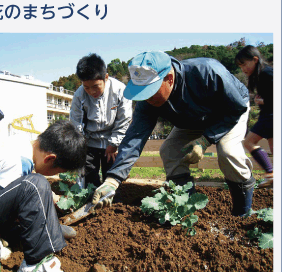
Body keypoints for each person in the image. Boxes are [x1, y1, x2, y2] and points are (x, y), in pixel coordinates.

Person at [92, 50, 256, 217]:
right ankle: (187, 209)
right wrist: (112, 180)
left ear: (169, 78)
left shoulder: (207, 72)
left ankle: (243, 213)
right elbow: (134, 137)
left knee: (228, 152)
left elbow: (236, 108)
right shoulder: (148, 101)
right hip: (192, 118)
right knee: (169, 151)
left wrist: (205, 140)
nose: (147, 98)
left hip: (228, 112)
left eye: (151, 91)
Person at [0, 120, 87, 272]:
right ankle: (36, 265)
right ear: (49, 159)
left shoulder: (22, 144)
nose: (50, 175)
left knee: (32, 197)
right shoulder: (18, 161)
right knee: (36, 184)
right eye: (55, 171)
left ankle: (44, 230)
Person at [69, 53, 132, 188]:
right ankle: (91, 205)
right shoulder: (79, 95)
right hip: (89, 142)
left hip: (112, 141)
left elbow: (124, 120)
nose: (91, 91)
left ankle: (114, 205)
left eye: (96, 86)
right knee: (90, 180)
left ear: (106, 77)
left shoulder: (120, 90)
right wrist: (81, 147)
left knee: (112, 178)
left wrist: (114, 143)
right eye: (87, 87)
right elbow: (76, 122)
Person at [235, 45, 273, 188]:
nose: (243, 69)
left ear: (255, 59)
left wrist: (263, 101)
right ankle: (272, 176)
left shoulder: (267, 73)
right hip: (268, 115)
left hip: (271, 115)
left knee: (249, 142)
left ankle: (270, 174)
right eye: (240, 66)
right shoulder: (260, 75)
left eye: (244, 64)